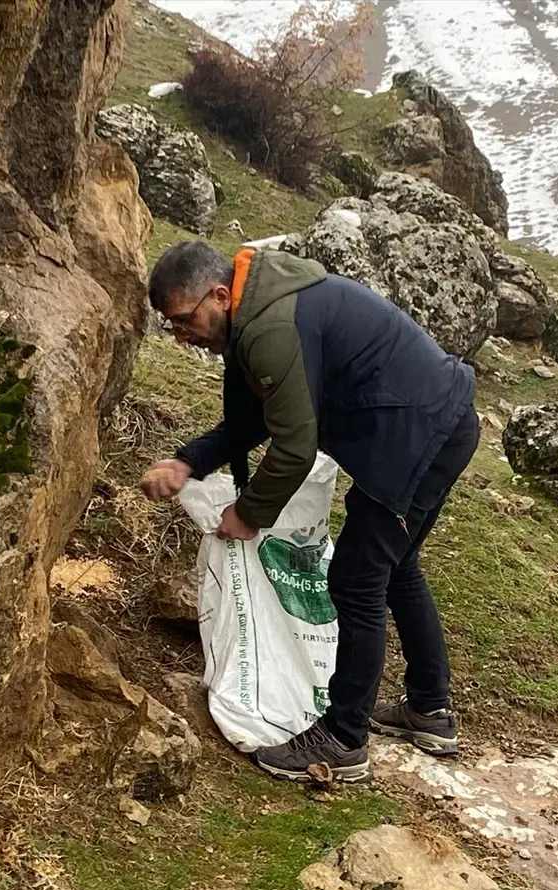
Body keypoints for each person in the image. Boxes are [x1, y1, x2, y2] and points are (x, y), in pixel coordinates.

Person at [138, 240, 480, 783]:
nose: (181, 337)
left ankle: (343, 740)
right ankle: (429, 710)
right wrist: (188, 462)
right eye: (171, 327)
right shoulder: (252, 316)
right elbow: (253, 419)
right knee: (396, 567)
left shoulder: (269, 328)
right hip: (430, 425)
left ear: (220, 295)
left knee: (357, 579)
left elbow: (295, 447)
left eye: (183, 321)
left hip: (422, 434)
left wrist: (249, 513)